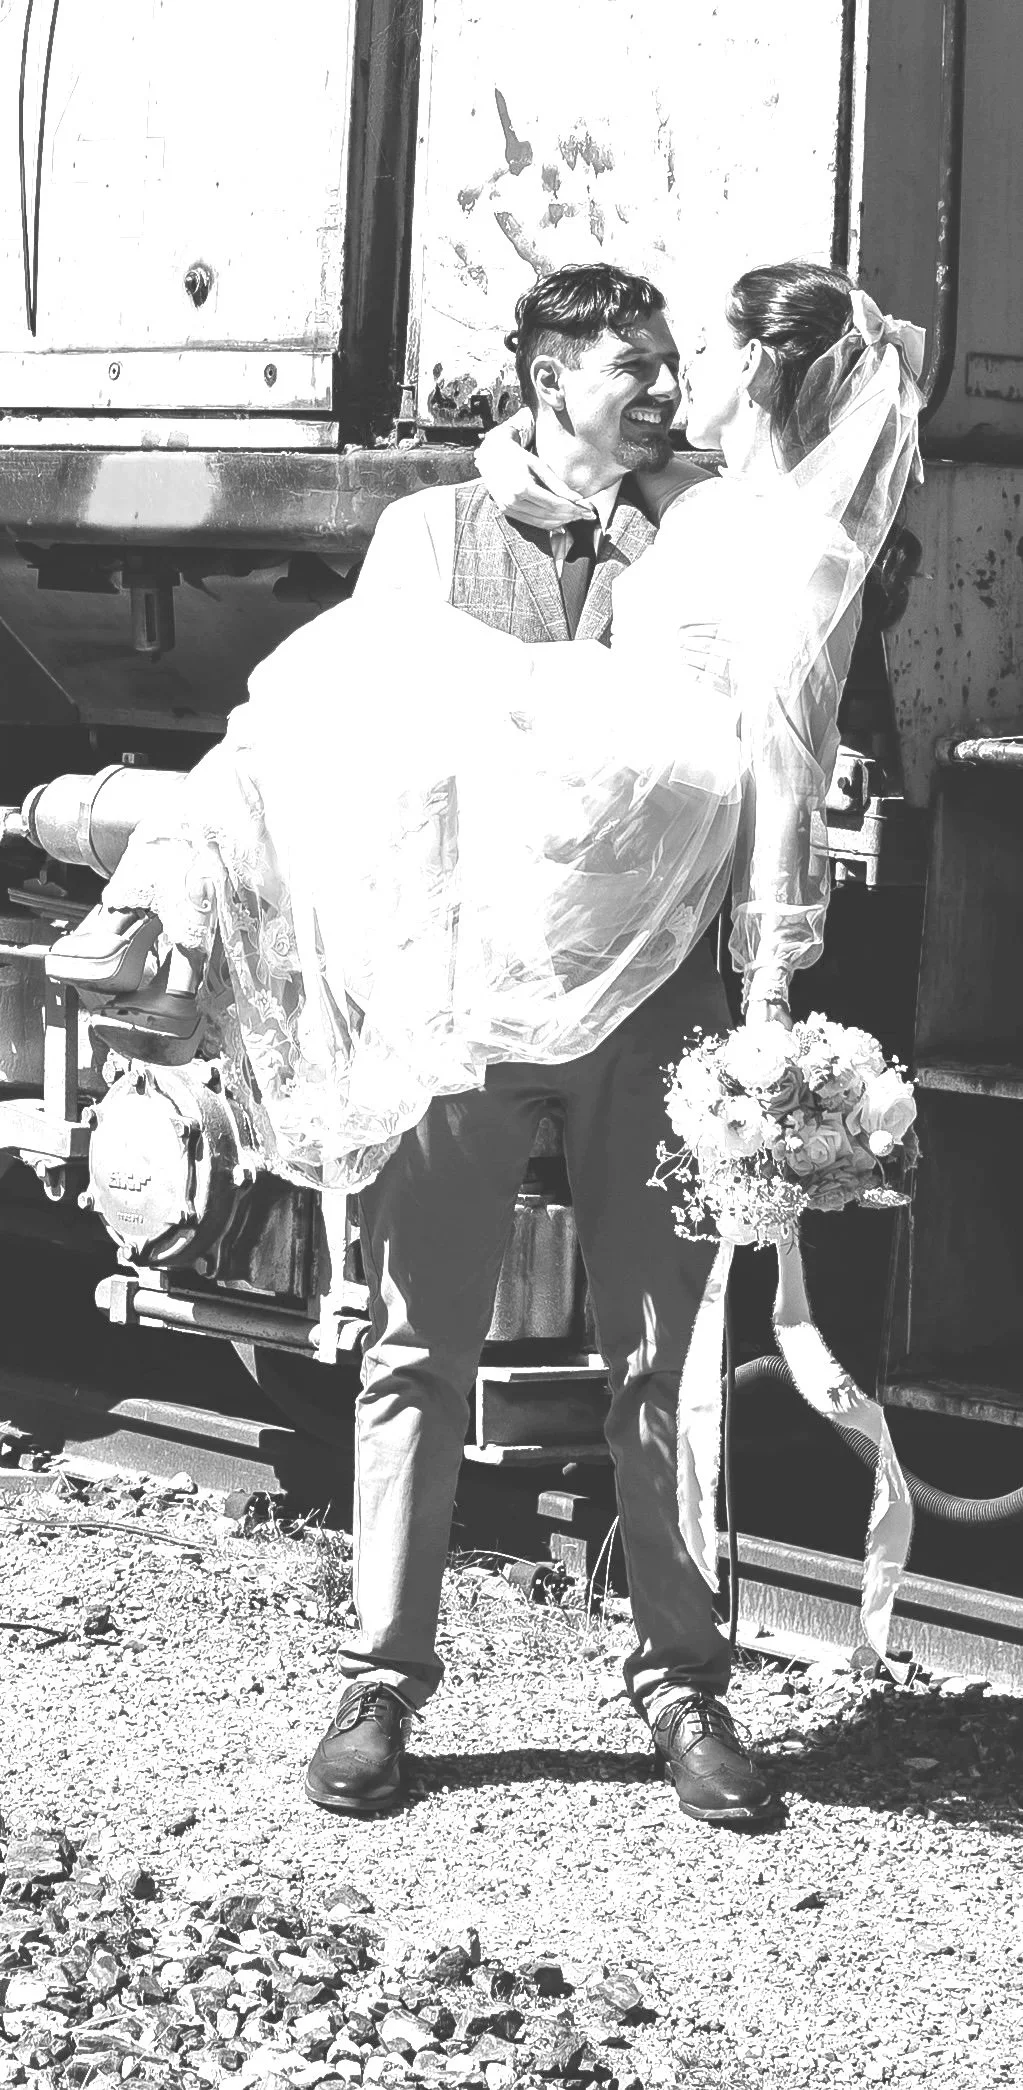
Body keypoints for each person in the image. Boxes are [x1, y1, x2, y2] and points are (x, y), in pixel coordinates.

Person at [49, 261, 923, 1826]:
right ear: (542, 379)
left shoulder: (708, 532)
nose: (660, 390)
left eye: (670, 364)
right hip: (459, 982)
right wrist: (170, 884)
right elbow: (309, 743)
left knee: (665, 1352)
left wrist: (769, 988)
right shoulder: (423, 539)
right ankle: (382, 1677)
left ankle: (683, 1684)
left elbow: (778, 745)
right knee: (411, 1338)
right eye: (629, 367)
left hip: (651, 1003)